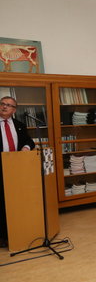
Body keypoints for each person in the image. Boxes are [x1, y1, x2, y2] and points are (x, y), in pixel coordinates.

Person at [0, 96, 35, 247]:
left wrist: (26, 148)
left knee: (16, 202)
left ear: (14, 110)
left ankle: (17, 232)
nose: (4, 107)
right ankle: (3, 236)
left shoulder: (19, 125)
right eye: (2, 104)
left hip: (16, 169)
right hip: (1, 167)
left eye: (8, 105)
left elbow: (29, 141)